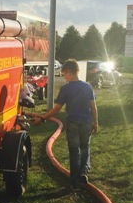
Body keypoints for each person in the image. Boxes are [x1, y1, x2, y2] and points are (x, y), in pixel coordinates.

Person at [34, 59, 98, 187]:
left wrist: (42, 117)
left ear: (69, 72)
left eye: (64, 75)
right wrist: (95, 122)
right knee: (85, 147)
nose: (64, 78)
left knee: (74, 150)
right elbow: (93, 107)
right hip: (87, 122)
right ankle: (84, 172)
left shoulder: (66, 89)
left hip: (73, 122)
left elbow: (57, 108)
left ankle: (74, 180)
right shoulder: (88, 86)